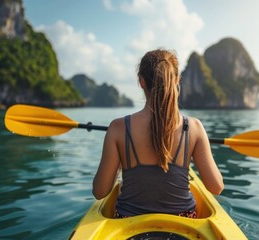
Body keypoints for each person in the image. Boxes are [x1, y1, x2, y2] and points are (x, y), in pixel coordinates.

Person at [92, 49, 223, 218]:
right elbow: (216, 187)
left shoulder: (117, 128)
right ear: (176, 79)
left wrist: (120, 165)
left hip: (129, 222)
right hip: (183, 223)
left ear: (141, 82)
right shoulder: (195, 128)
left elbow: (100, 192)